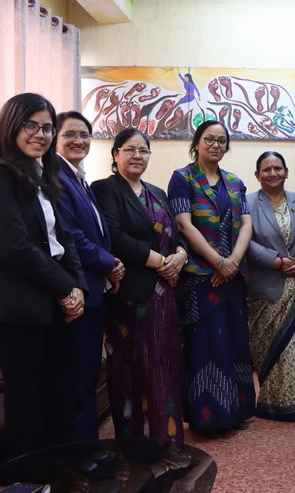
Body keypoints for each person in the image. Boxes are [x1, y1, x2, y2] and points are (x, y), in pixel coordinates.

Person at [0, 93, 86, 459]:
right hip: (19, 308)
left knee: (58, 396)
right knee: (26, 406)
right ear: (12, 125)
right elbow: (15, 247)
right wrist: (64, 288)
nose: (39, 134)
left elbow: (64, 238)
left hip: (55, 300)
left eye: (46, 128)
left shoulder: (44, 174)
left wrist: (77, 286)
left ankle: (57, 476)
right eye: (31, 125)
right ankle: (23, 481)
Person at [91, 128, 186, 442]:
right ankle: (136, 443)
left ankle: (167, 437)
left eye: (143, 150)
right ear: (115, 154)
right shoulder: (104, 189)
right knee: (132, 368)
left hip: (164, 296)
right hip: (129, 298)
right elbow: (115, 238)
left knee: (164, 364)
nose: (137, 156)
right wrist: (162, 263)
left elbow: (176, 236)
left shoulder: (158, 192)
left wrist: (180, 257)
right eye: (129, 149)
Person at [168, 120, 256, 436]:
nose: (215, 145)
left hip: (232, 277)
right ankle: (209, 416)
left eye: (221, 141)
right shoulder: (182, 178)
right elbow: (183, 224)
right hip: (200, 278)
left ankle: (238, 409)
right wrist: (218, 261)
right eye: (209, 139)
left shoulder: (235, 182)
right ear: (197, 142)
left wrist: (231, 261)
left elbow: (246, 224)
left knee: (234, 341)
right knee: (206, 345)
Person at [55, 110, 125, 442]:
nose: (79, 140)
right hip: (77, 290)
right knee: (76, 375)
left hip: (94, 288)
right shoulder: (55, 176)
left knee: (84, 373)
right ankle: (81, 453)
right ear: (55, 138)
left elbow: (96, 232)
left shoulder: (79, 178)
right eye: (70, 134)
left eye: (84, 135)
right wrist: (110, 262)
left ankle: (86, 448)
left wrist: (109, 264)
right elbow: (72, 236)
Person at [246, 151, 295, 421]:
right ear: (257, 175)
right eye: (266, 169)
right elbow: (244, 242)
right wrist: (275, 261)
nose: (272, 173)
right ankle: (270, 400)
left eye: (278, 168)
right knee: (268, 347)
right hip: (265, 288)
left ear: (286, 172)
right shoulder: (247, 203)